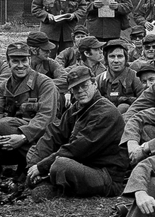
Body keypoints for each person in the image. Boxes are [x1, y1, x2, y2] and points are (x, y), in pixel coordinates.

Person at [24, 66, 130, 199]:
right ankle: (42, 180)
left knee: (61, 164)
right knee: (34, 149)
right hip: (83, 166)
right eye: (75, 88)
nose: (80, 91)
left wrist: (41, 167)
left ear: (94, 84)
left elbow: (78, 149)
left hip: (105, 175)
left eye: (84, 86)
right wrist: (33, 165)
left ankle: (54, 186)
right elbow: (54, 134)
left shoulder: (106, 112)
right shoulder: (78, 107)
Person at [0, 42, 59, 184]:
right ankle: (16, 163)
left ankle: (32, 164)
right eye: (15, 61)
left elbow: (46, 118)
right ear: (8, 62)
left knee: (4, 125)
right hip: (8, 139)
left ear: (30, 60)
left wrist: (22, 136)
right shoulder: (3, 87)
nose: (20, 65)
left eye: (24, 60)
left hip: (37, 138)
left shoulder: (44, 83)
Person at [95, 39, 142, 113]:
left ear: (126, 58)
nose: (116, 60)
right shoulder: (100, 79)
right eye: (112, 56)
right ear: (106, 59)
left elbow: (144, 103)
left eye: (120, 56)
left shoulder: (135, 77)